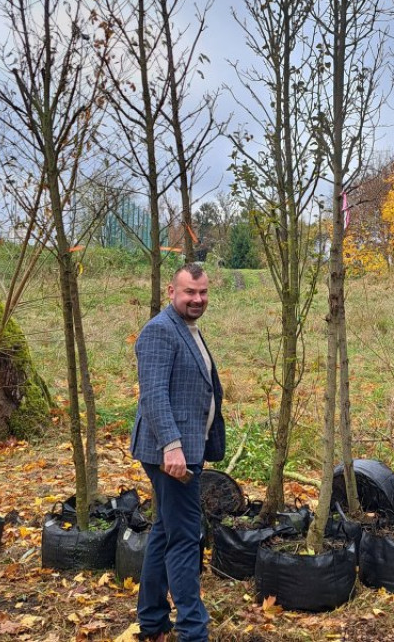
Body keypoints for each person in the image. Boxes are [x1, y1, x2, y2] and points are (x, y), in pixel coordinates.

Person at [131, 264, 225, 642]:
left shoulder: (188, 328)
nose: (197, 299)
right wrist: (172, 446)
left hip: (185, 449)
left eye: (203, 292)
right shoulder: (160, 331)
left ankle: (153, 621)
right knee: (185, 538)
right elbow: (153, 395)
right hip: (170, 455)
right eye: (189, 292)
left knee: (165, 531)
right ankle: (193, 630)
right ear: (172, 291)